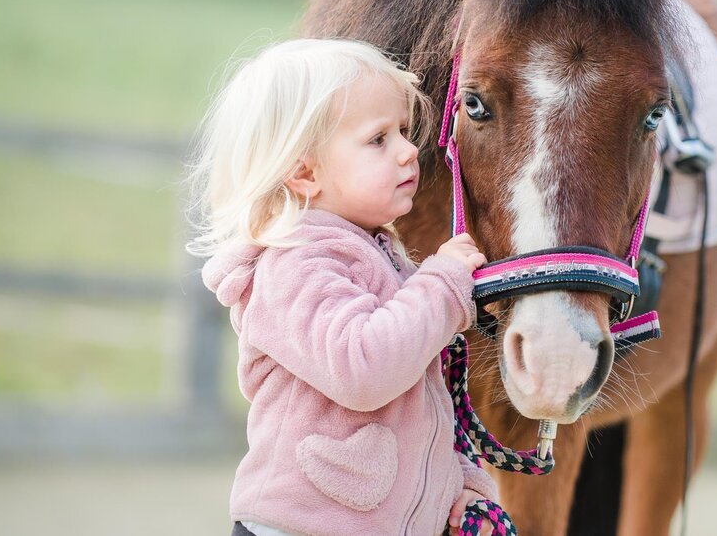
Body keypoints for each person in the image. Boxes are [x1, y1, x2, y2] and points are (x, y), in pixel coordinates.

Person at [187, 38, 498, 536]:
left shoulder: (381, 258)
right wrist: (442, 285)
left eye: (403, 131)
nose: (408, 151)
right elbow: (363, 368)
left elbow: (418, 408)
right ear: (305, 172)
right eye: (379, 139)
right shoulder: (294, 265)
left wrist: (457, 487)